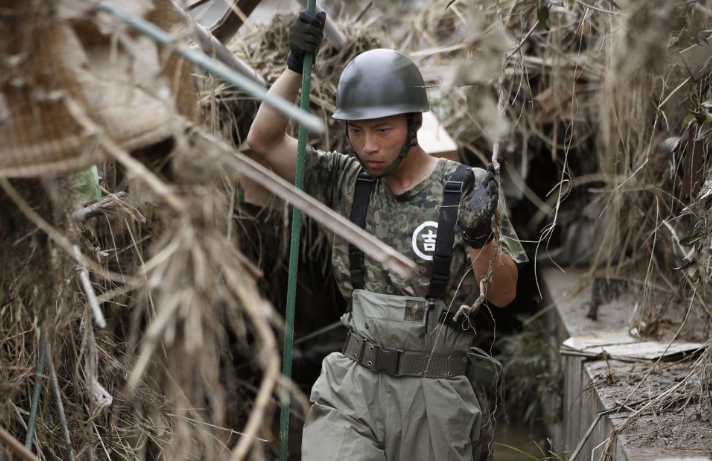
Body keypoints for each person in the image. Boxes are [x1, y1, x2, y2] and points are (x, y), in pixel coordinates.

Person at [246, 10, 528, 461]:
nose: (368, 146)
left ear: (414, 124)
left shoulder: (468, 187)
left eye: (382, 130)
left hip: (435, 394)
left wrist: (480, 240)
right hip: (353, 385)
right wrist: (296, 66)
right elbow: (263, 141)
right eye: (356, 131)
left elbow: (504, 295)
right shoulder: (342, 179)